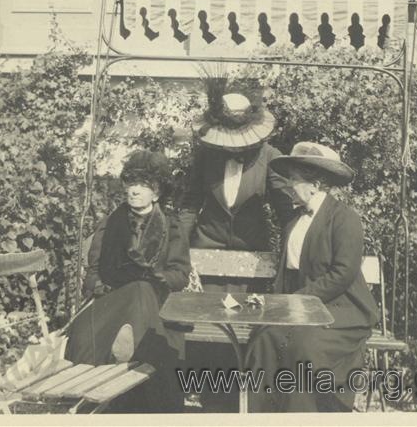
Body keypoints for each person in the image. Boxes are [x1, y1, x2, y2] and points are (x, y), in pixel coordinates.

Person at [249, 141, 379, 413]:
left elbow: (342, 274)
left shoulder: (345, 219)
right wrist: (272, 305)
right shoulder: (293, 221)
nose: (287, 187)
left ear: (314, 184)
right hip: (300, 309)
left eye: (293, 180)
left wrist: (298, 301)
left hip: (340, 311)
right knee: (263, 339)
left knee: (303, 347)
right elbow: (288, 273)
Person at [65, 150, 190, 413]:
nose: (134, 191)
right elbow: (93, 272)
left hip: (154, 305)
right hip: (112, 302)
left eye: (143, 185)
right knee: (135, 292)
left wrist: (159, 277)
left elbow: (180, 275)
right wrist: (102, 287)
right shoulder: (110, 224)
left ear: (157, 193)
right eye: (131, 184)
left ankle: (131, 365)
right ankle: (126, 355)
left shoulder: (171, 226)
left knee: (143, 290)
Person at [179, 78, 294, 293]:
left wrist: (289, 254)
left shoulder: (270, 157)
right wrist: (179, 247)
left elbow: (285, 211)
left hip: (252, 253)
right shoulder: (206, 156)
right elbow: (190, 205)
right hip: (207, 248)